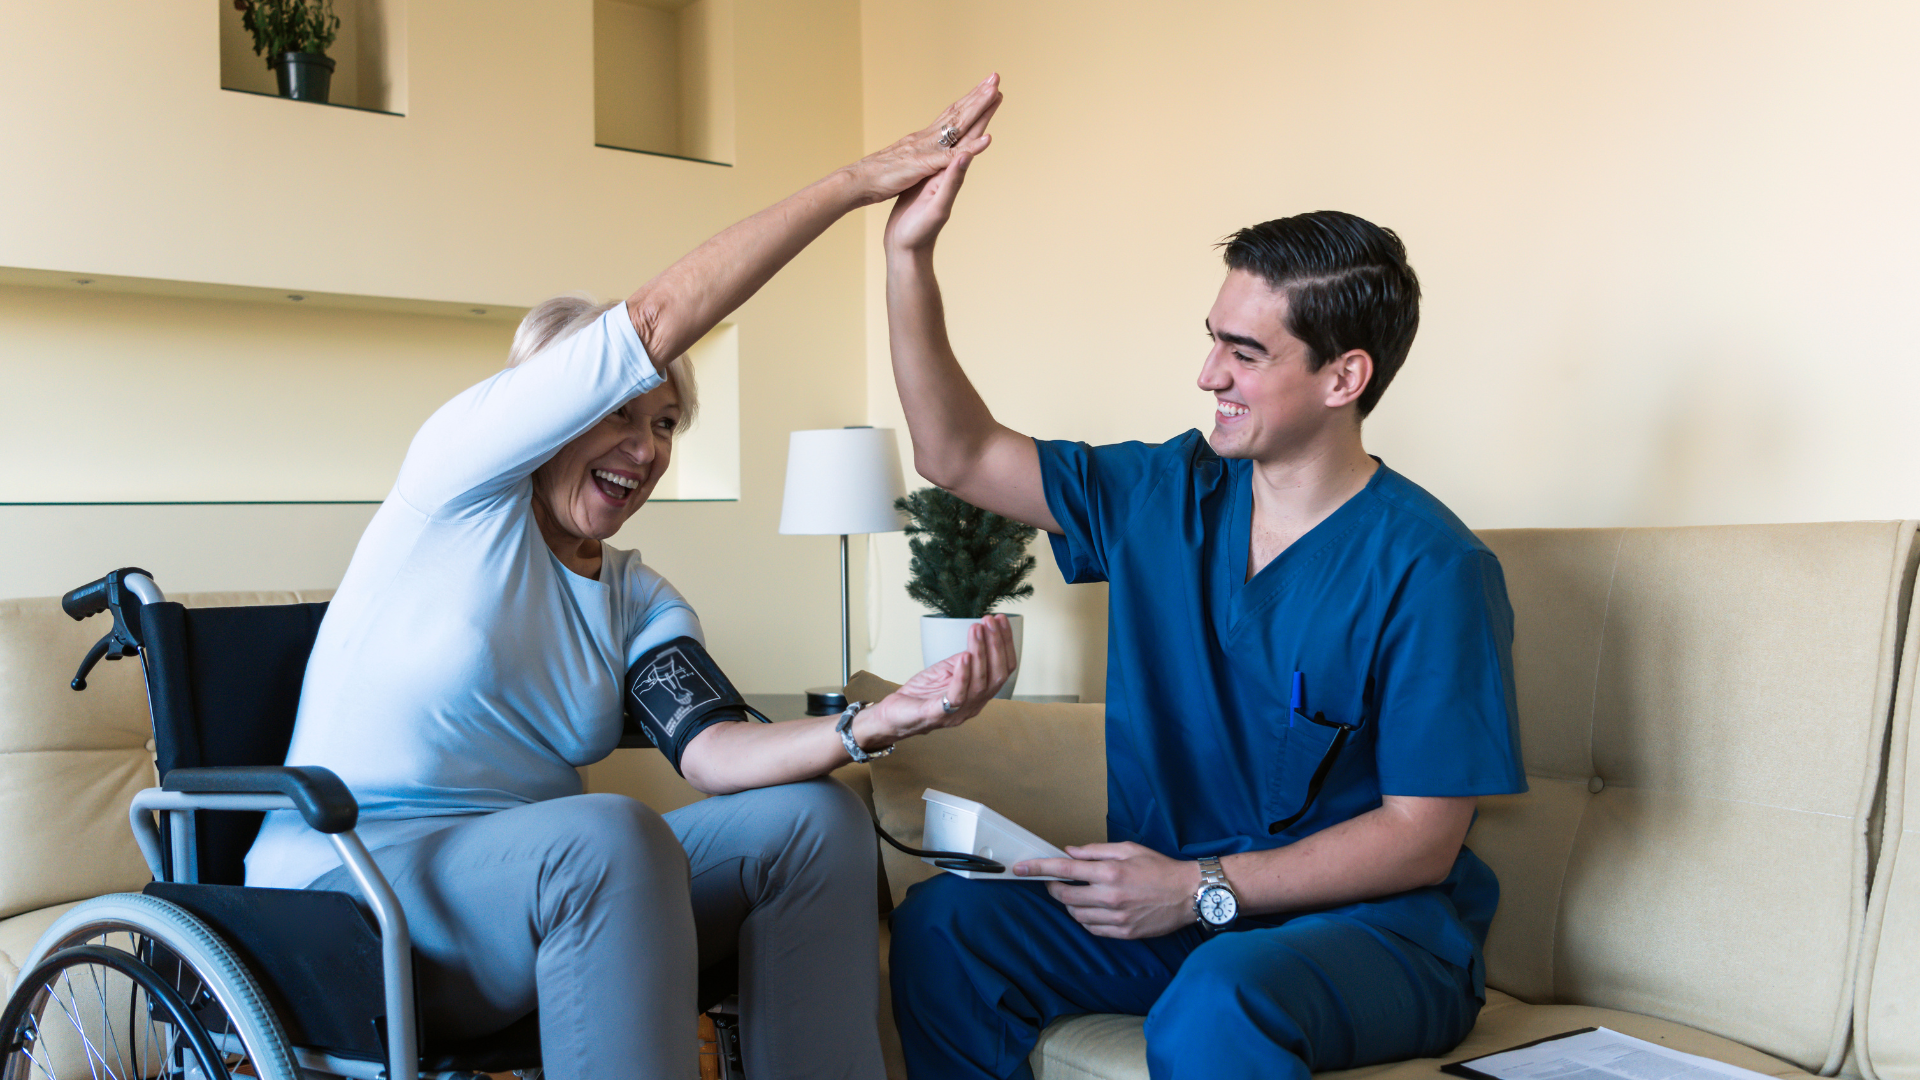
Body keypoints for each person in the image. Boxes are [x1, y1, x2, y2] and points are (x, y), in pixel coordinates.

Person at [243, 76, 1015, 1080]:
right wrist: (855, 184)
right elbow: (653, 318)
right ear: (545, 414)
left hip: (535, 884)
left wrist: (873, 725)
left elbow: (712, 749)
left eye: (664, 426)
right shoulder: (455, 491)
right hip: (352, 891)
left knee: (815, 816)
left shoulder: (633, 594)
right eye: (619, 413)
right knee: (603, 835)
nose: (646, 448)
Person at [877, 134, 1528, 1078]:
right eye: (1212, 338)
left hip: (1373, 941)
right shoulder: (1162, 494)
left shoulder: (1432, 567)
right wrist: (907, 257)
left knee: (1220, 1000)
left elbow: (1423, 837)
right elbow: (958, 454)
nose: (1208, 374)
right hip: (1185, 920)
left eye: (1245, 351)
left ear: (1344, 378)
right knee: (947, 927)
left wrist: (1198, 889)